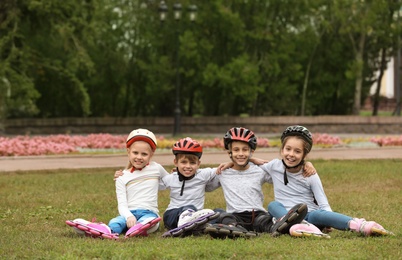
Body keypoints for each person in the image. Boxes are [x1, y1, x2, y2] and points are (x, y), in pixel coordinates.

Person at [262, 125, 394, 237]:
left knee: (320, 214)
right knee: (273, 205)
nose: (291, 154)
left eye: (297, 151)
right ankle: (298, 226)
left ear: (304, 155)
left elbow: (323, 203)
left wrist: (328, 220)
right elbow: (251, 168)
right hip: (284, 215)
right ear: (282, 150)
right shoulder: (274, 166)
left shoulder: (309, 173)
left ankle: (360, 225)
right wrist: (251, 159)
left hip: (309, 215)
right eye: (288, 149)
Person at [205, 127, 316, 239]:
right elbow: (203, 184)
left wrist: (305, 164)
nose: (241, 153)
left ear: (251, 152)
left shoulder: (260, 170)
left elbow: (283, 173)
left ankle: (278, 226)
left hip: (257, 214)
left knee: (266, 220)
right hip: (236, 216)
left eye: (245, 150)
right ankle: (232, 228)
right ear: (230, 152)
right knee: (220, 214)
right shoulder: (222, 172)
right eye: (236, 150)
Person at [66, 128, 169, 239]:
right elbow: (122, 204)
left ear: (151, 154)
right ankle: (102, 229)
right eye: (135, 153)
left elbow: (168, 183)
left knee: (153, 223)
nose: (139, 157)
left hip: (149, 213)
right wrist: (129, 216)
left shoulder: (156, 168)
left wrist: (177, 175)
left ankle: (140, 226)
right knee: (115, 222)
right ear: (128, 151)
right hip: (128, 213)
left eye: (144, 154)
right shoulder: (122, 177)